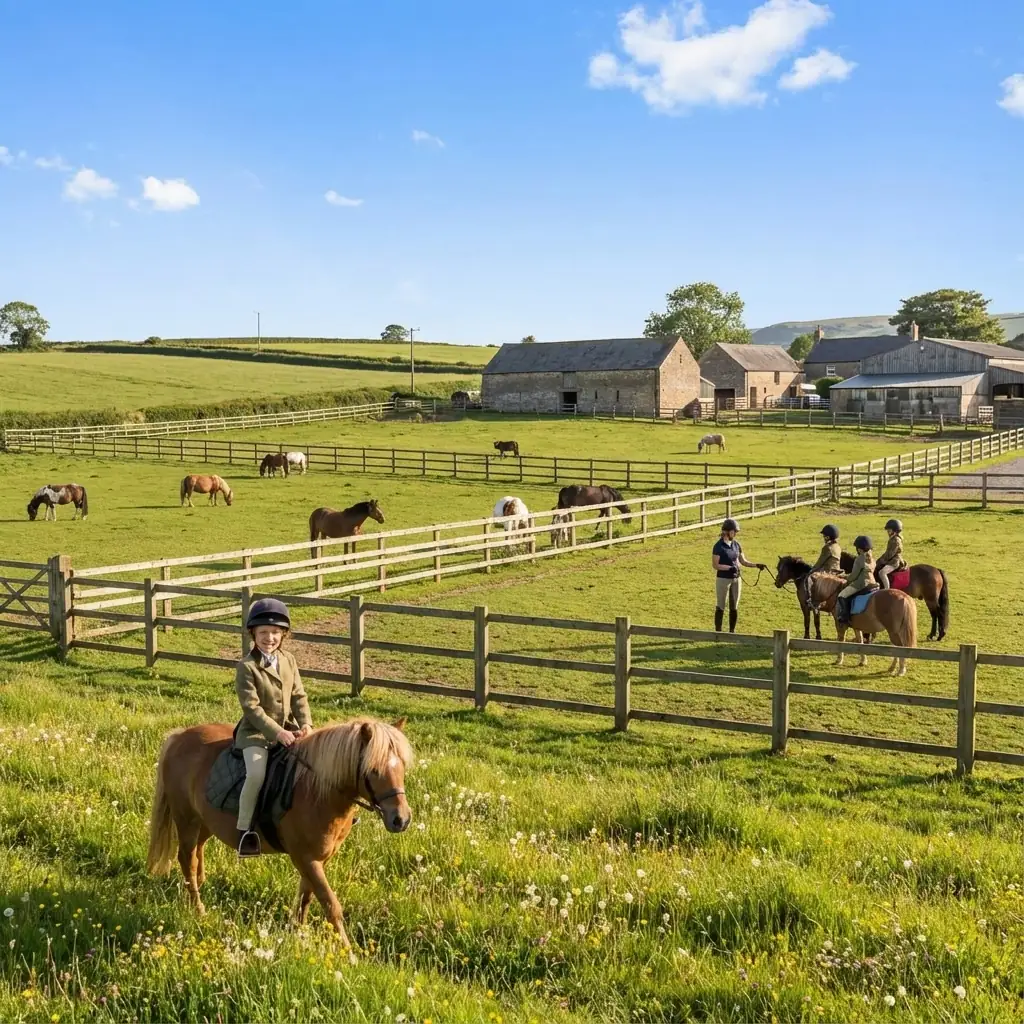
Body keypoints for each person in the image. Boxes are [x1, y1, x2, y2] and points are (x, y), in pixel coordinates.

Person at [233, 598, 313, 857]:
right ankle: (245, 830)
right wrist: (277, 733)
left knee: (317, 764)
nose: (269, 638)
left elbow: (299, 695)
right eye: (264, 632)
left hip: (289, 729)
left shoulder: (288, 659)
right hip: (256, 734)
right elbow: (252, 709)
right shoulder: (246, 667)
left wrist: (306, 724)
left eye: (275, 633)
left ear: (283, 635)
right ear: (253, 634)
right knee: (256, 774)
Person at [711, 518, 766, 634]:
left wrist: (756, 565)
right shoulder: (718, 546)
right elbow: (715, 565)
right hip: (723, 579)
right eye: (734, 532)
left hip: (736, 578)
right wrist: (729, 568)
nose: (735, 534)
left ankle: (732, 631)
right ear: (727, 532)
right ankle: (718, 632)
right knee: (721, 604)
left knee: (734, 605)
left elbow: (743, 561)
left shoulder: (736, 545)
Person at [836, 535, 877, 626]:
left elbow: (853, 576)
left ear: (859, 549)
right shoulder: (872, 558)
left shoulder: (859, 559)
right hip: (872, 583)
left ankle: (845, 617)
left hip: (861, 584)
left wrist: (843, 577)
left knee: (841, 595)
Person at [875, 518, 907, 589]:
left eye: (889, 530)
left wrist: (880, 561)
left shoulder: (895, 540)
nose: (887, 532)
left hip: (894, 562)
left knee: (882, 573)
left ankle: (887, 589)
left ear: (895, 531)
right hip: (891, 560)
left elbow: (890, 554)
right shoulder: (893, 538)